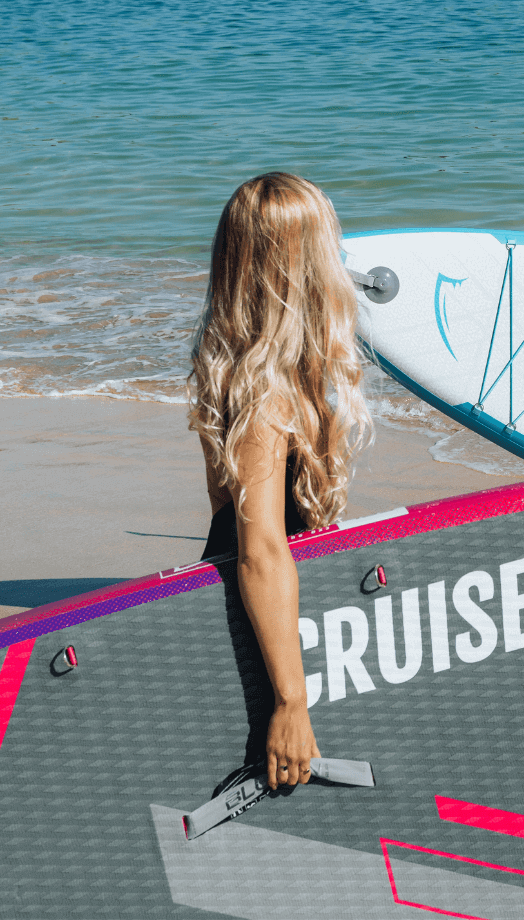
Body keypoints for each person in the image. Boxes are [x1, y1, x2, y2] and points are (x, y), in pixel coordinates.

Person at [187, 172, 372, 789]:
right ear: (307, 268)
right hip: (257, 604)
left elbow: (224, 505)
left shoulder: (258, 375)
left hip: (260, 600)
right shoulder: (267, 400)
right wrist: (291, 701)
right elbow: (259, 547)